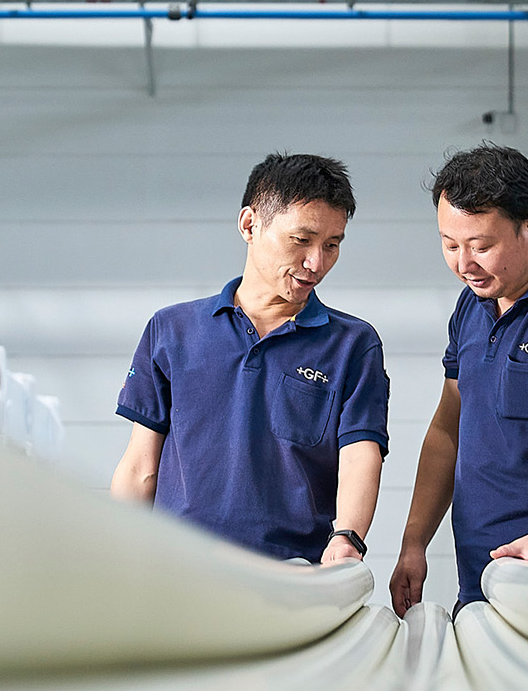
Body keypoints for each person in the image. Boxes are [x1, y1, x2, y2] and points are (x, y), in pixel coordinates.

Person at [111, 152, 387, 565]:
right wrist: (116, 554)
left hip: (292, 574)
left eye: (332, 245)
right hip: (178, 569)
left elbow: (360, 452)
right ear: (249, 224)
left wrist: (348, 537)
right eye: (301, 240)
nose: (317, 263)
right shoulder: (172, 330)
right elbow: (140, 466)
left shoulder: (351, 344)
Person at [390, 144, 528, 614]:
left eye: (481, 246)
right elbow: (447, 430)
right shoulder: (470, 308)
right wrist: (414, 541)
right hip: (477, 581)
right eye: (449, 244)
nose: (464, 264)